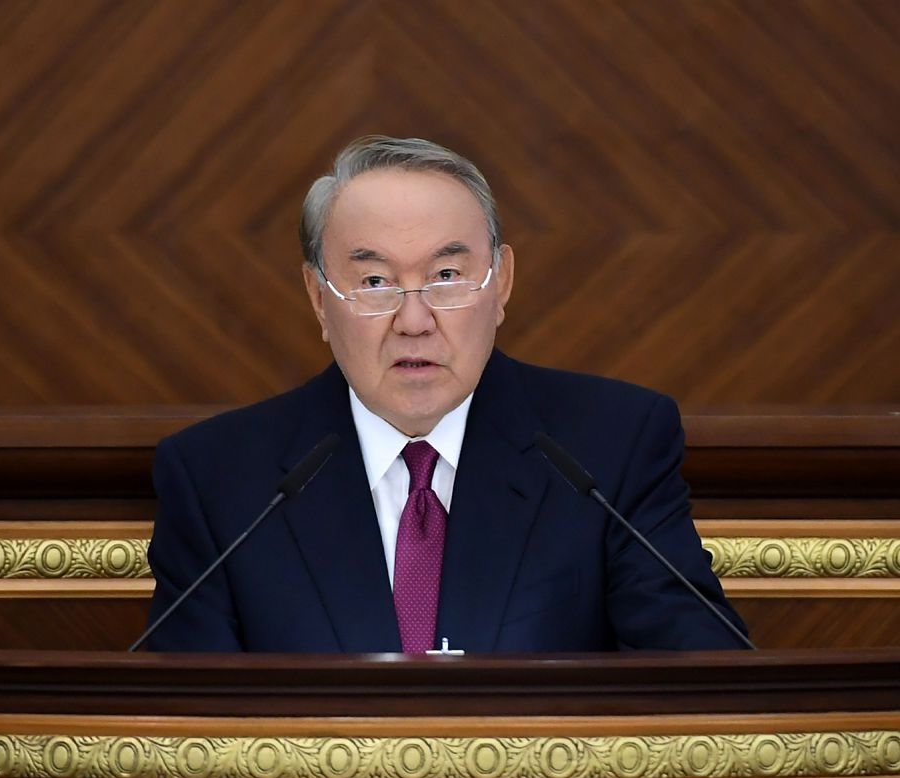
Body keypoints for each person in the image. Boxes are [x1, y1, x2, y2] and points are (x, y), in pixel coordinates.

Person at [144, 136, 747, 653]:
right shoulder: (219, 481)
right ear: (318, 298)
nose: (414, 321)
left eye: (447, 277)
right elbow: (183, 723)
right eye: (375, 281)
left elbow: (701, 680)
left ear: (501, 282)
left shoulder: (611, 448)